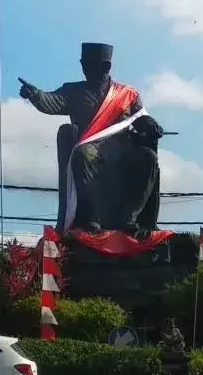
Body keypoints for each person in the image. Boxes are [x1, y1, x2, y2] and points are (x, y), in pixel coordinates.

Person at [18, 42, 166, 235]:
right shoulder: (74, 91)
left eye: (89, 64)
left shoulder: (127, 94)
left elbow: (140, 118)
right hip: (93, 147)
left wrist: (151, 124)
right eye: (83, 63)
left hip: (122, 148)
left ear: (106, 67)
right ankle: (94, 217)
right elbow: (52, 101)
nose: (84, 68)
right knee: (82, 154)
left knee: (148, 158)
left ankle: (129, 218)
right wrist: (35, 95)